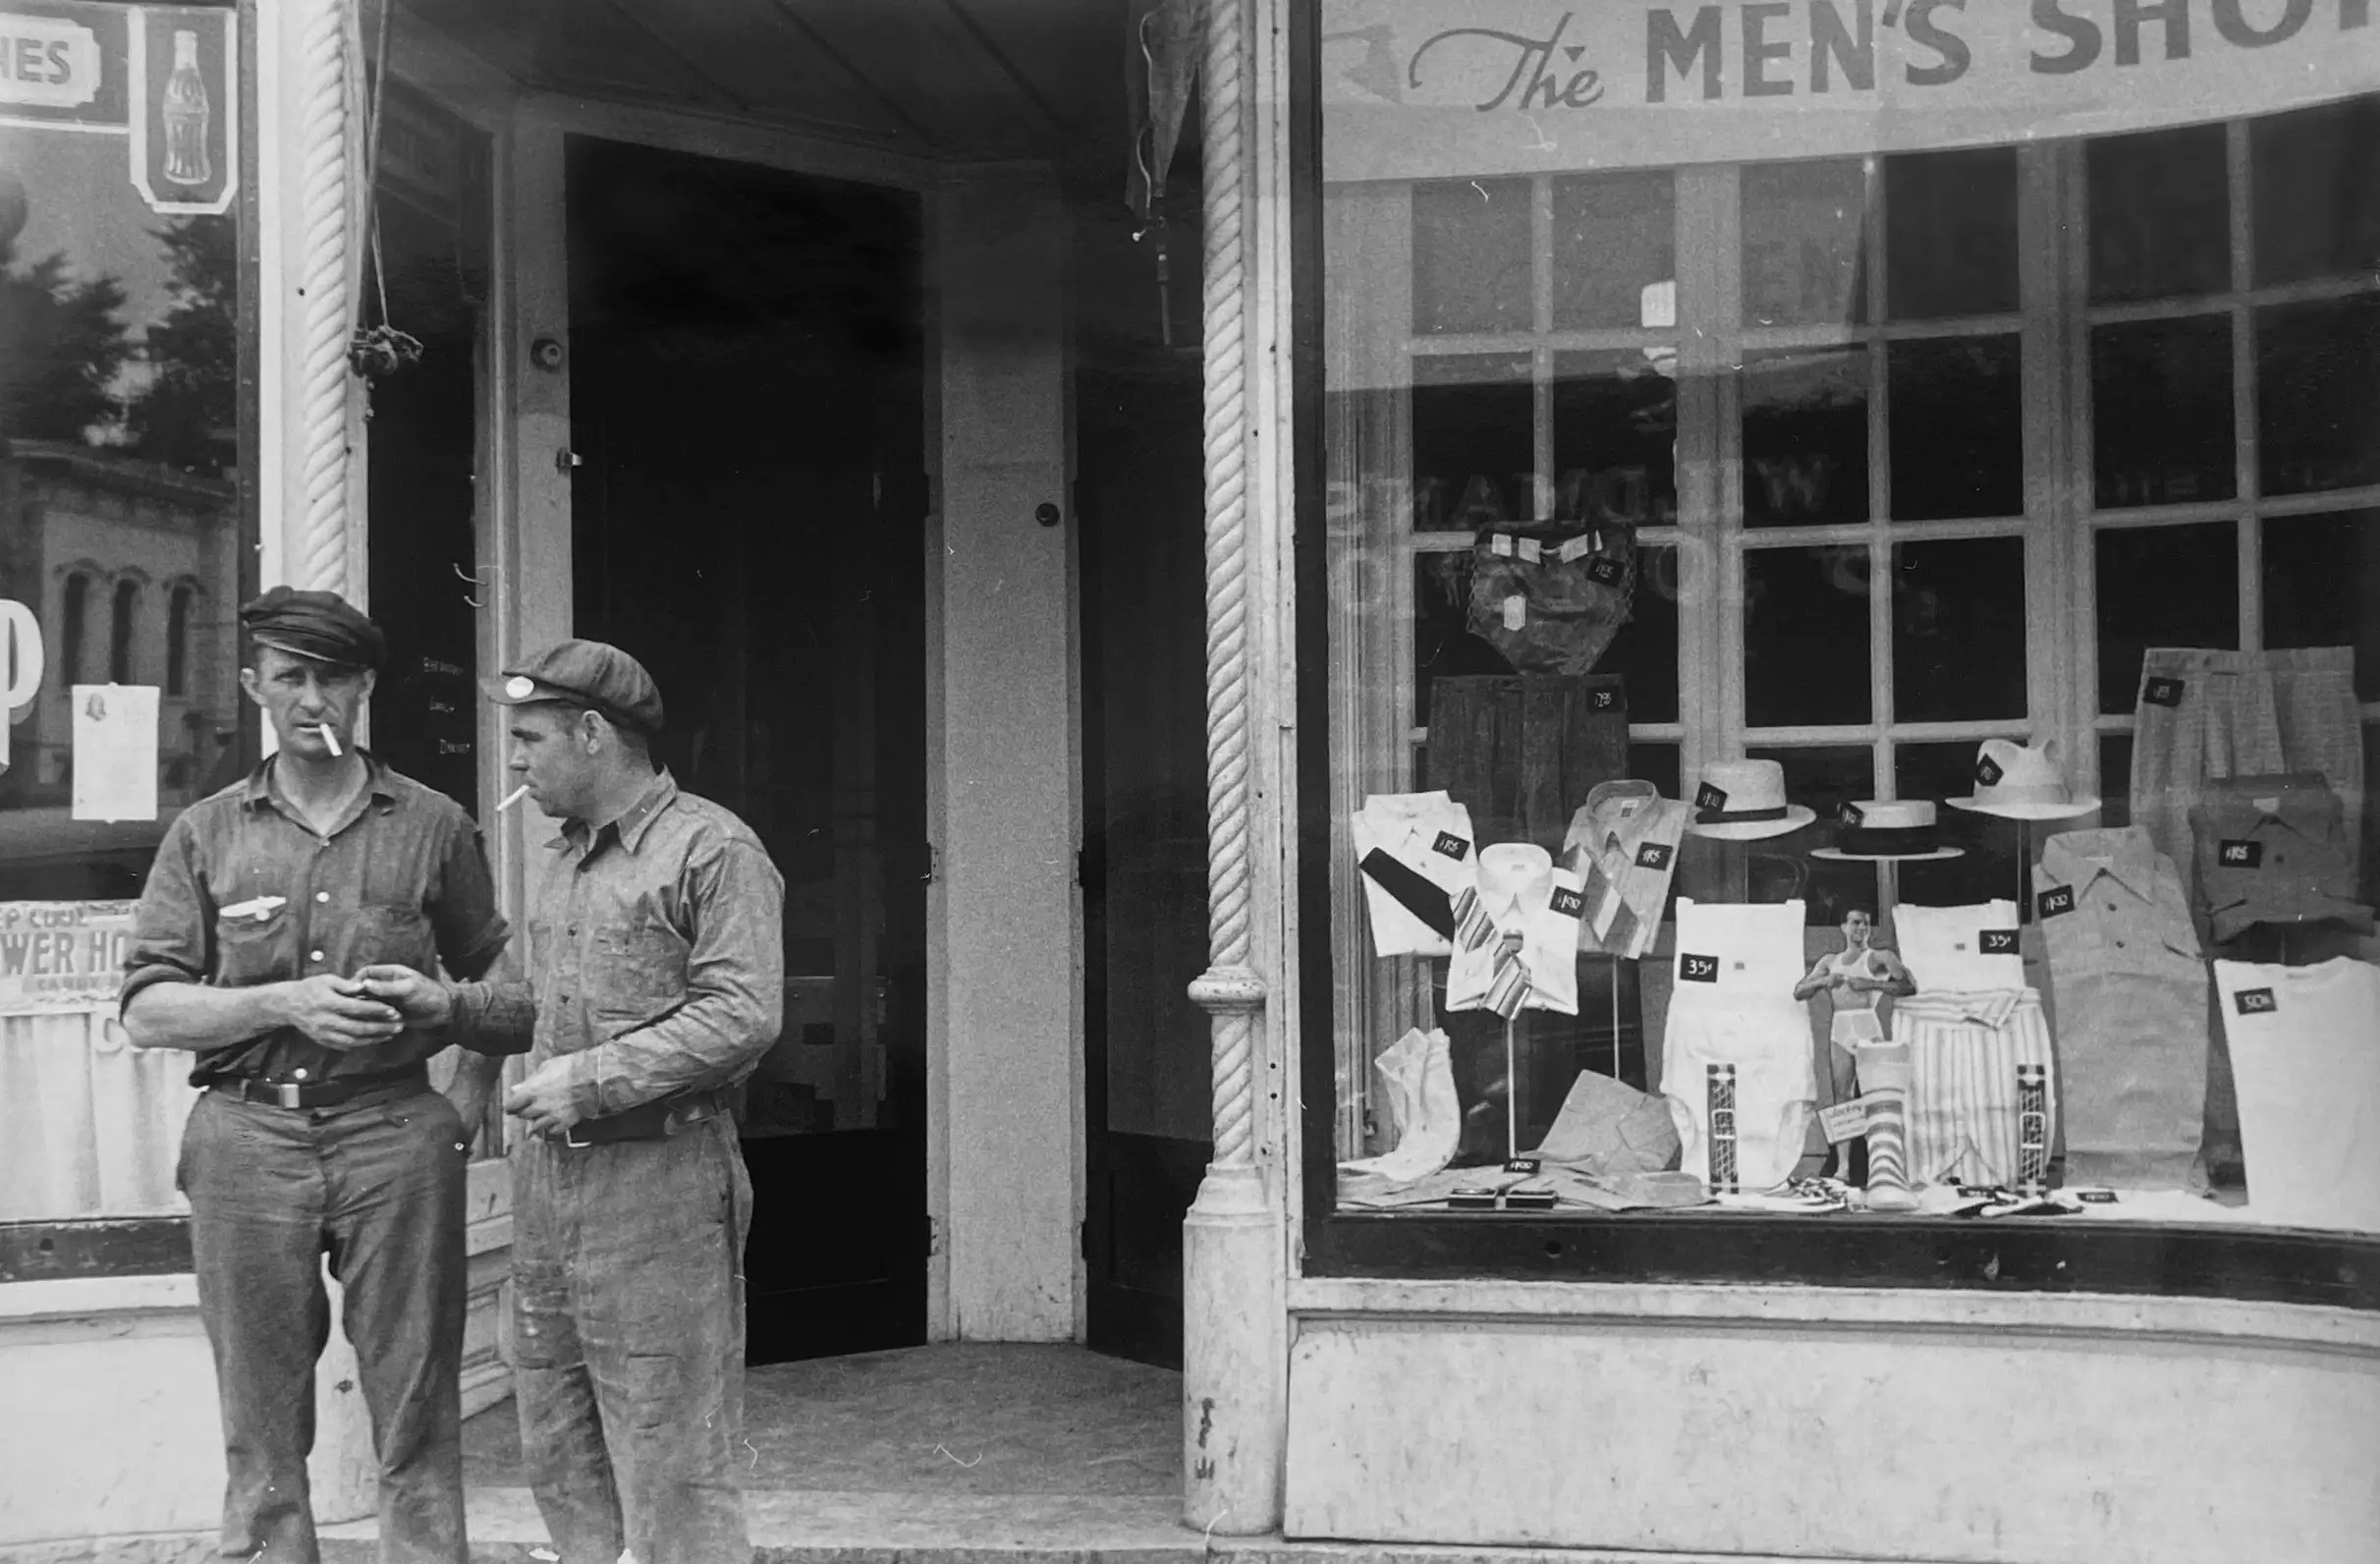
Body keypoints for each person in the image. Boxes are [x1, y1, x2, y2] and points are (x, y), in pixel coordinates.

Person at [362, 639, 784, 1564]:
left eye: (529, 739)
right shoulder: (566, 861)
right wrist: (450, 1007)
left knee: (671, 1455)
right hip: (552, 1191)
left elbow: (744, 1014)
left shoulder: (712, 849)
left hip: (660, 1182)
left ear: (593, 733)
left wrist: (588, 1082)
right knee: (558, 1439)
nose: (514, 761)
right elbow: (548, 1011)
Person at [120, 586, 518, 1564]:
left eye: (333, 679)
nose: (312, 699)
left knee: (416, 1398)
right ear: (253, 684)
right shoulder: (207, 831)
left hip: (394, 1131)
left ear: (364, 687)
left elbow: (500, 983)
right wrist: (283, 1003)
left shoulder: (431, 823)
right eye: (290, 677)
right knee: (258, 1411)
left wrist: (465, 1100)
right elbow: (147, 1009)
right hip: (246, 1137)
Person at [1793, 907, 1914, 1178]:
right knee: (1842, 1099)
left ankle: (1882, 1162)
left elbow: (1908, 986)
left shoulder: (1879, 957)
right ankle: (1844, 1166)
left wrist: (1871, 985)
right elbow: (1799, 991)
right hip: (1840, 1028)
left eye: (1866, 923)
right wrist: (1824, 981)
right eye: (1856, 923)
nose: (1861, 928)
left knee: (1876, 1095)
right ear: (1844, 927)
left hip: (1867, 1025)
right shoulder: (1830, 961)